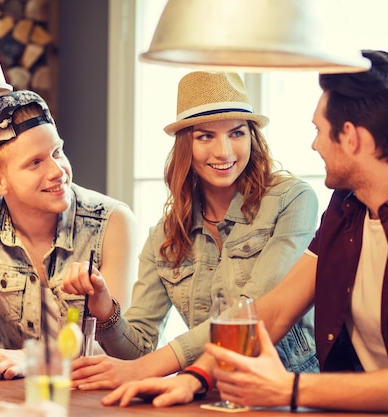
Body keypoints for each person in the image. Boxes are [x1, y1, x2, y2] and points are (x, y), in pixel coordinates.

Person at [100, 51, 388, 416]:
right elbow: (274, 310)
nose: (314, 145)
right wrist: (193, 377)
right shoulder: (346, 208)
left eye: (319, 130)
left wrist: (287, 388)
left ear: (351, 137)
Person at [64, 71, 319, 390]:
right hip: (208, 394)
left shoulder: (292, 199)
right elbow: (138, 350)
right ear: (186, 144)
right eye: (205, 136)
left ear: (253, 136)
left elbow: (252, 313)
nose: (224, 152)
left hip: (291, 391)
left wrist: (148, 369)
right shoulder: (165, 237)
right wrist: (105, 311)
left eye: (237, 133)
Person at [0, 90, 137, 379]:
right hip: (22, 395)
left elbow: (120, 344)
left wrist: (34, 359)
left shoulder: (113, 221)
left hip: (104, 394)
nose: (57, 171)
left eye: (57, 152)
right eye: (35, 162)